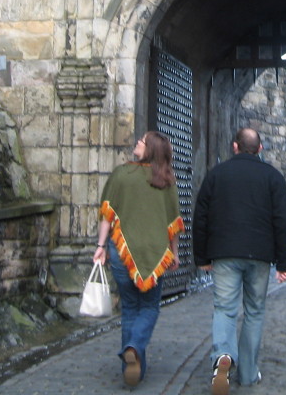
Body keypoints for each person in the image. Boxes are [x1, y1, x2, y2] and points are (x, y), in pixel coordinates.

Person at [193, 127, 286, 395]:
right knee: (254, 311)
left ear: (234, 147)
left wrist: (201, 256)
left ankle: (224, 355)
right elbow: (283, 221)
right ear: (260, 149)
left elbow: (200, 215)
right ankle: (248, 374)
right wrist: (285, 263)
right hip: (260, 255)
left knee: (224, 308)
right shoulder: (273, 177)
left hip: (225, 253)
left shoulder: (217, 175)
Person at [93, 130, 183, 387]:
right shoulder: (167, 181)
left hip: (123, 253)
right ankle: (135, 348)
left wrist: (101, 246)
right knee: (150, 307)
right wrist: (174, 254)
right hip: (155, 253)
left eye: (142, 141)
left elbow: (107, 215)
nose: (137, 142)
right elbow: (174, 224)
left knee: (130, 308)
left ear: (151, 149)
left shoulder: (121, 174)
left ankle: (131, 363)